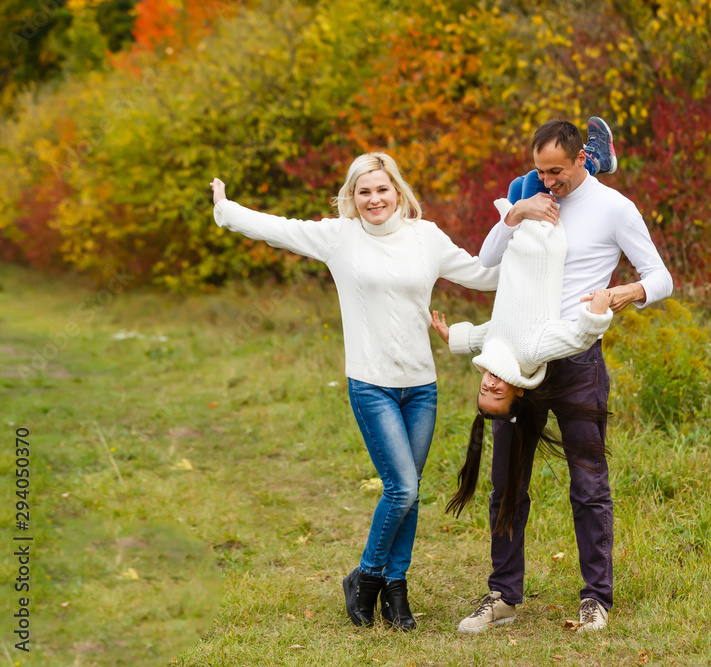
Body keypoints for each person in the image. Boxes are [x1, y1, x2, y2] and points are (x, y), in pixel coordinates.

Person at [208, 152, 499, 632]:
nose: (374, 199)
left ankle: (396, 589)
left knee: (410, 492)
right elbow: (275, 227)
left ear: (398, 192)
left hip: (421, 385)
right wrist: (226, 207)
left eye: (382, 190)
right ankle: (366, 577)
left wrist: (523, 228)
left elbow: (485, 275)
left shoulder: (426, 238)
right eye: (363, 192)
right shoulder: (339, 236)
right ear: (351, 197)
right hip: (371, 383)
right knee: (401, 486)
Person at [454, 119, 673, 634]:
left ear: (581, 160)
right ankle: (503, 595)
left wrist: (624, 294)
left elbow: (661, 276)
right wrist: (517, 213)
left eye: (557, 171)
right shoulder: (530, 196)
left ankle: (596, 597)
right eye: (539, 171)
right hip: (518, 362)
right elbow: (487, 262)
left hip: (577, 363)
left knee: (589, 485)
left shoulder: (614, 208)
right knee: (507, 482)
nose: (548, 181)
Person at [429, 196, 615, 541]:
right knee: (533, 182)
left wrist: (455, 336)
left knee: (522, 186)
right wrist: (596, 315)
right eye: (497, 392)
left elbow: (494, 329)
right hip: (543, 240)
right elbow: (575, 339)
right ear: (518, 388)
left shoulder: (497, 350)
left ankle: (573, 166)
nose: (489, 384)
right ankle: (593, 162)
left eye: (484, 389)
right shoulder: (532, 351)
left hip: (521, 238)